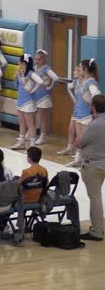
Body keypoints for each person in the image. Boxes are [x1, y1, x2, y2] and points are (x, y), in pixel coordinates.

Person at [75, 95, 105, 241]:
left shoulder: (93, 125)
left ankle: (97, 231)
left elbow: (80, 143)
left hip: (93, 166)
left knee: (95, 198)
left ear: (93, 107)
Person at [62, 59, 100, 167]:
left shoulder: (91, 82)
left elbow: (96, 94)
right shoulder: (81, 81)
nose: (78, 69)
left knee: (86, 140)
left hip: (86, 116)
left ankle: (86, 162)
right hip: (78, 114)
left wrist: (92, 106)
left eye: (80, 67)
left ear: (85, 69)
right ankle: (78, 160)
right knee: (79, 139)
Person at [11, 54, 44, 150]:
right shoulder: (20, 72)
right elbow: (17, 86)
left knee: (30, 124)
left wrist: (33, 90)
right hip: (20, 100)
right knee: (21, 122)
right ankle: (21, 143)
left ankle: (32, 146)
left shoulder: (31, 73)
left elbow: (40, 81)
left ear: (24, 63)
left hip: (29, 102)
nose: (18, 63)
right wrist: (15, 78)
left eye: (20, 62)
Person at [33, 49, 59, 145]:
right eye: (35, 59)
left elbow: (55, 78)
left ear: (44, 60)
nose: (36, 61)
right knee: (33, 114)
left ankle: (42, 136)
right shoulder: (35, 68)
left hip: (44, 96)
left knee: (42, 118)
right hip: (35, 95)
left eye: (39, 59)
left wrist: (50, 87)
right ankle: (31, 133)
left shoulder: (46, 69)